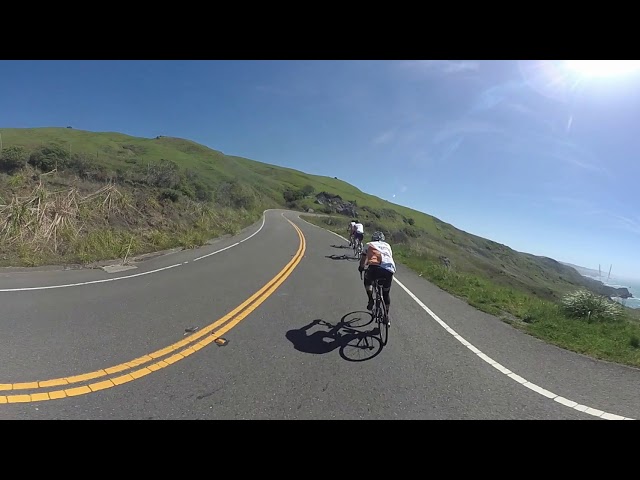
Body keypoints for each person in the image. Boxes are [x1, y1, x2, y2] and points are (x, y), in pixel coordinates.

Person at [358, 231, 396, 320]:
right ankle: (386, 316)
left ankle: (371, 299)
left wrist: (361, 267)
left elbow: (363, 260)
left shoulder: (369, 244)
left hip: (374, 268)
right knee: (386, 293)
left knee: (367, 281)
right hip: (389, 270)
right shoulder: (388, 246)